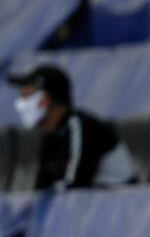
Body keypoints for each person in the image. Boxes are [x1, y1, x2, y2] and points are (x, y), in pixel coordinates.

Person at [7, 63, 136, 190]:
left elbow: (76, 187)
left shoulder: (82, 127)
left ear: (45, 100)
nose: (20, 105)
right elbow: (43, 187)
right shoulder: (52, 135)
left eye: (27, 97)